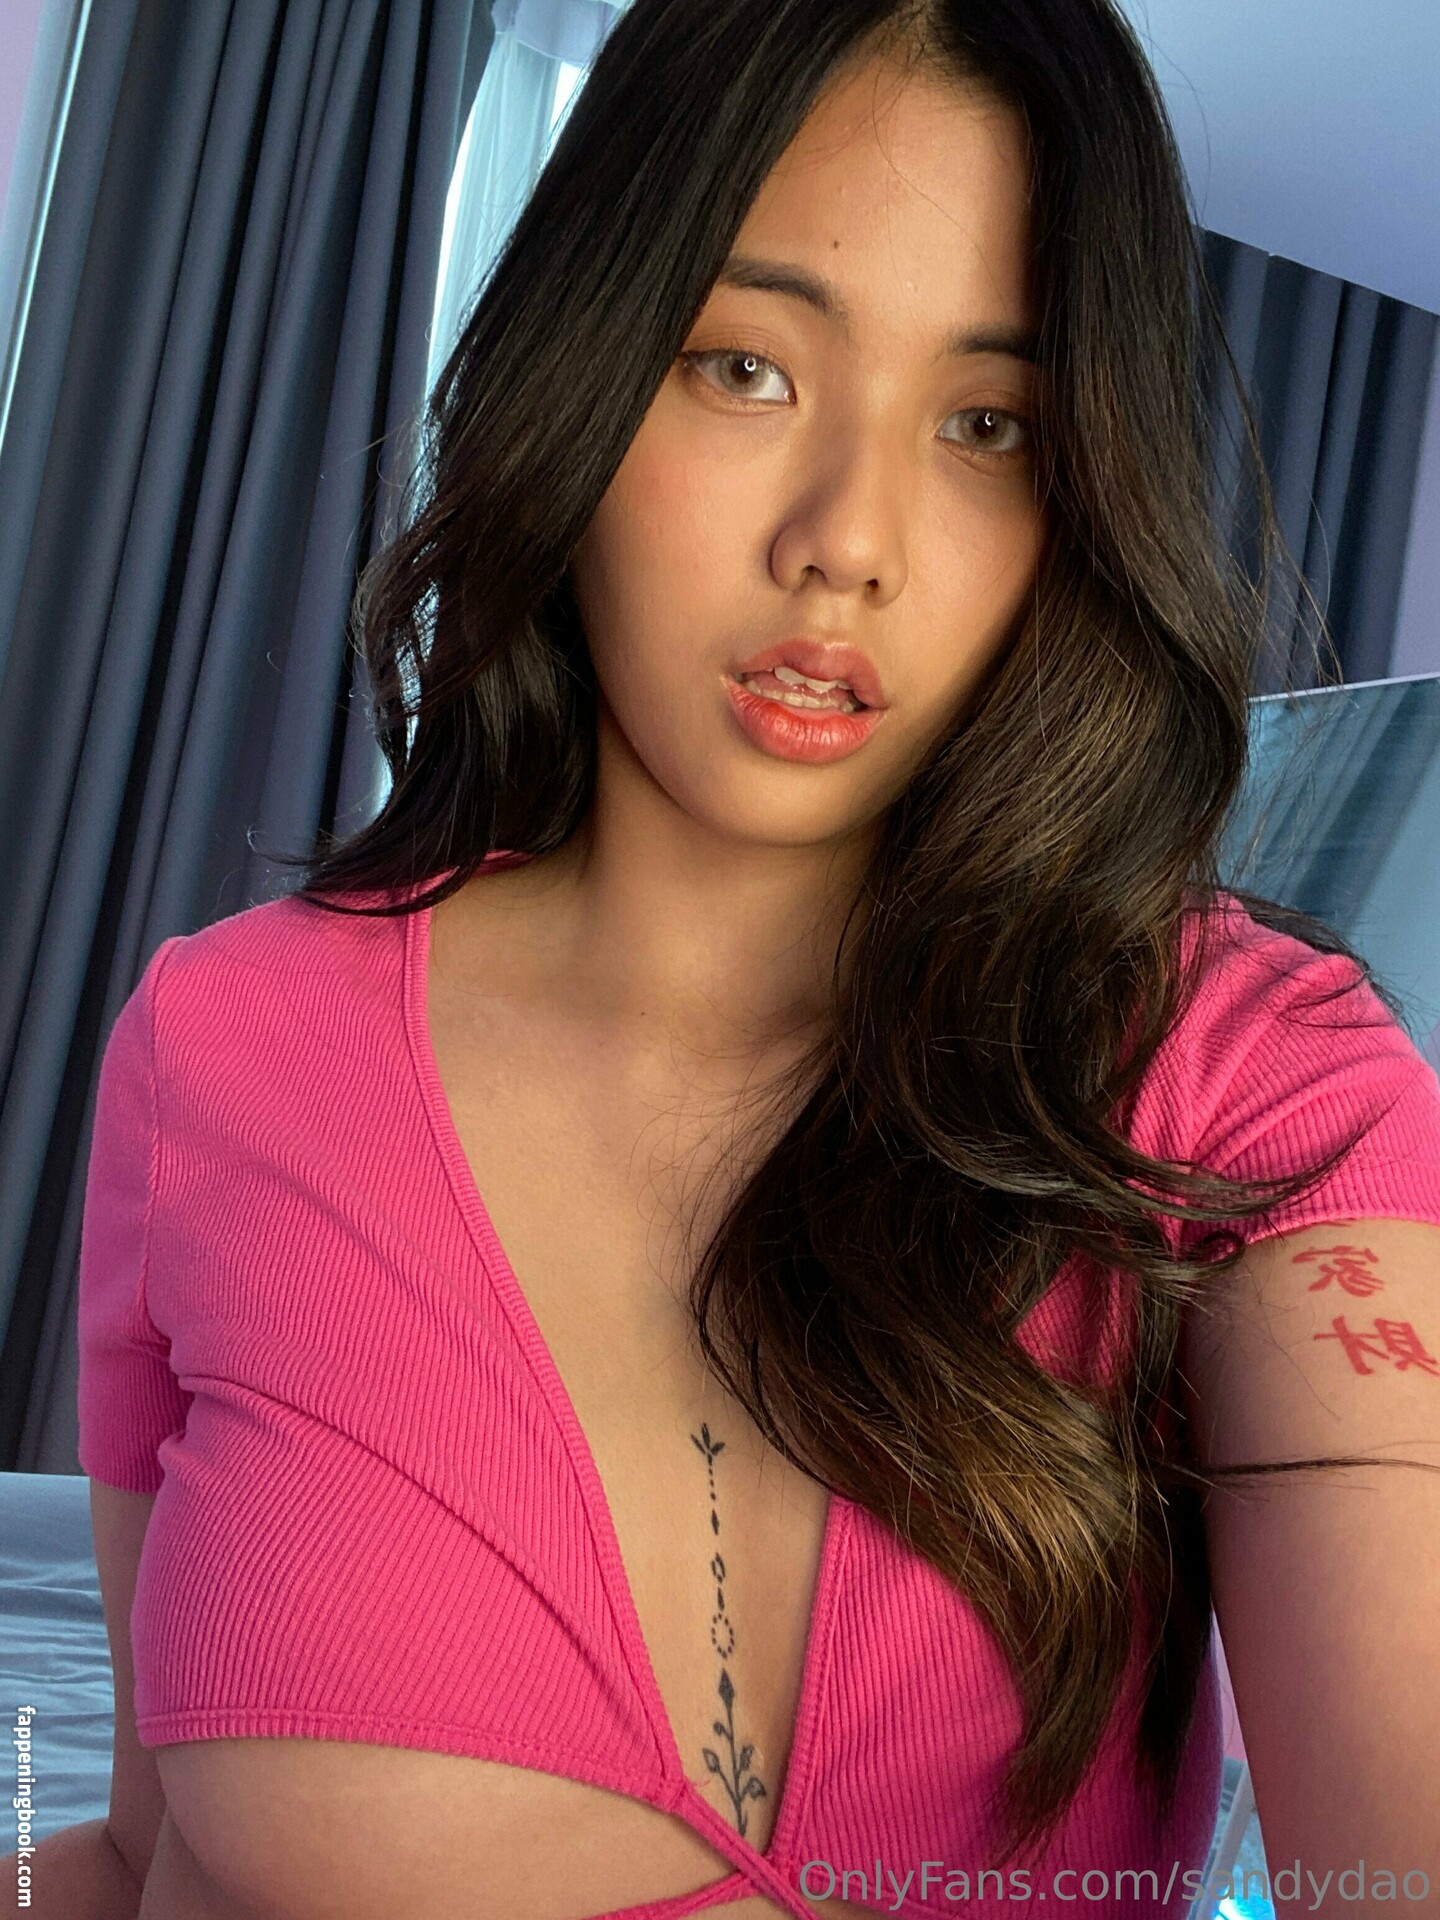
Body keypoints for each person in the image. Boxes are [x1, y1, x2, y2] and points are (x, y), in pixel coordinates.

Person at [13, 0, 1440, 1916]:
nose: (849, 542)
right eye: (746, 368)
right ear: (583, 377)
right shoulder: (227, 1043)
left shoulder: (1251, 1077)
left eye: (989, 424)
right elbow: (135, 1850)